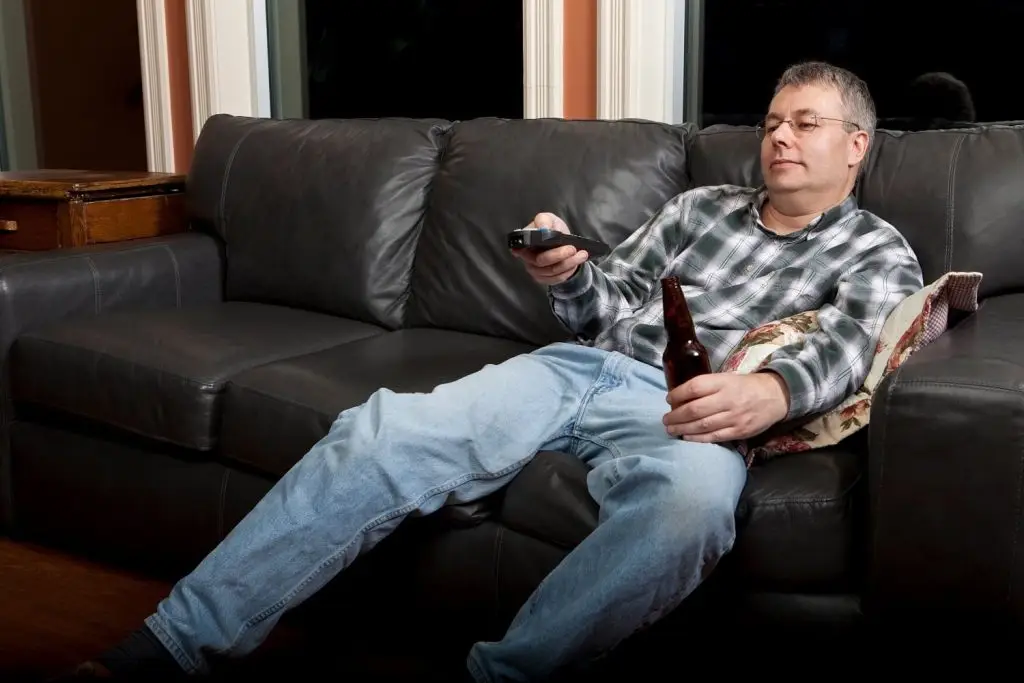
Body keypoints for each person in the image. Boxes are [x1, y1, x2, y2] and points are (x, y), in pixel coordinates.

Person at [56, 61, 923, 683]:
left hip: (683, 407)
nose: (779, 136)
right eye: (773, 120)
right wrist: (567, 273)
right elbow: (611, 290)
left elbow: (854, 341)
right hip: (573, 367)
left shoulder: (875, 246)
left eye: (804, 123)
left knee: (692, 509)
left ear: (856, 145)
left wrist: (769, 392)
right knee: (380, 428)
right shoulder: (701, 207)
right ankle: (171, 646)